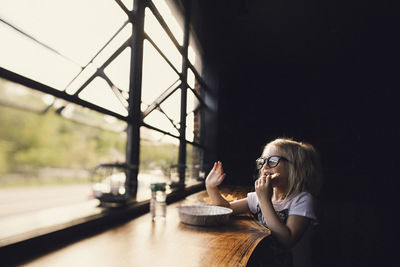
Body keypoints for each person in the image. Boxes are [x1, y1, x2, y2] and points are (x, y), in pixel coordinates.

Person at [205, 138, 323, 267]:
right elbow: (225, 208)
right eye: (263, 161)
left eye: (273, 161)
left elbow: (287, 240)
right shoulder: (261, 197)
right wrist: (211, 187)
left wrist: (264, 200)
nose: (265, 166)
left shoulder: (302, 200)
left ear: (295, 167)